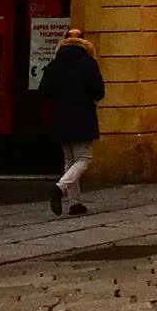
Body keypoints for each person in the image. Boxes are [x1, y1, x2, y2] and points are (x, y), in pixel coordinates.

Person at [41, 27, 105, 216]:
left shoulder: (54, 64)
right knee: (84, 159)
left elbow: (44, 91)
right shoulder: (89, 63)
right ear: (84, 42)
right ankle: (59, 188)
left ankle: (75, 204)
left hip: (60, 116)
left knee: (69, 160)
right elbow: (99, 93)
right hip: (82, 116)